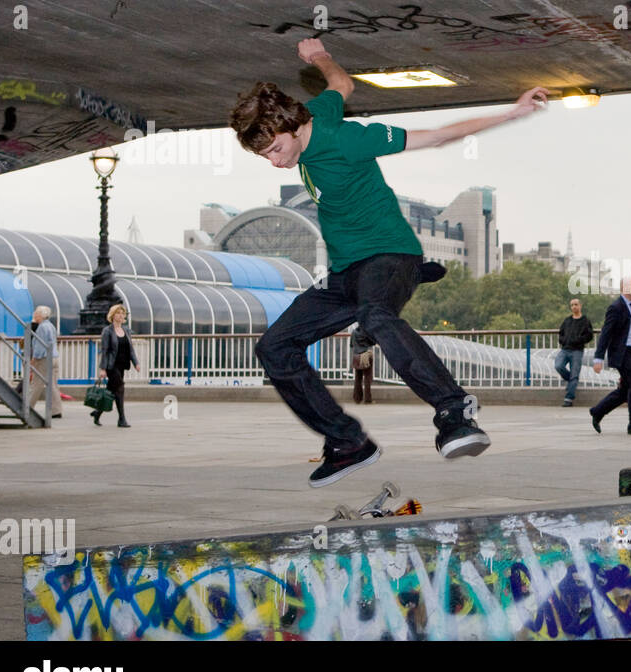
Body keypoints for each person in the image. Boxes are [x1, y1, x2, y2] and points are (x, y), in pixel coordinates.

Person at [230, 37, 549, 487]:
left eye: (274, 151)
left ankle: (454, 410)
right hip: (345, 272)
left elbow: (437, 137)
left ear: (290, 125)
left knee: (375, 315)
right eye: (265, 158)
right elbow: (341, 83)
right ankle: (347, 443)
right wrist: (318, 56)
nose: (275, 164)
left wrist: (513, 112)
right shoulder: (318, 113)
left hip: (390, 253)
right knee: (274, 347)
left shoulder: (346, 139)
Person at [589, 278, 631, 435]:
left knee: (625, 390)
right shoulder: (616, 307)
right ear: (624, 287)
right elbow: (606, 333)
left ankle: (597, 411)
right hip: (621, 353)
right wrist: (598, 358)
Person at [95, 303, 139, 427]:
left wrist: (136, 363)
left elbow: (131, 349)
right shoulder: (107, 331)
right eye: (118, 313)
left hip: (122, 364)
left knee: (110, 390)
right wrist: (103, 368)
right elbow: (104, 350)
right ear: (113, 316)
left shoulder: (126, 331)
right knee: (120, 388)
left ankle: (97, 413)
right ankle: (122, 419)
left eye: (122, 313)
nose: (120, 316)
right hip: (111, 365)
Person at [554, 298, 593, 407]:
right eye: (572, 305)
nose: (574, 307)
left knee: (574, 374)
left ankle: (569, 399)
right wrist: (563, 341)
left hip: (577, 351)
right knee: (558, 366)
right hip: (565, 349)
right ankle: (572, 381)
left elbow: (589, 336)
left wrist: (578, 340)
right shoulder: (567, 320)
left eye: (576, 304)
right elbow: (561, 333)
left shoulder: (585, 321)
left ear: (580, 306)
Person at [26, 306, 63, 419]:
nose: (34, 315)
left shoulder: (42, 327)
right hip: (54, 356)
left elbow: (40, 345)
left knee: (36, 383)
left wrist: (34, 358)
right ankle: (56, 410)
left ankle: (28, 406)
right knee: (52, 384)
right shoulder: (50, 326)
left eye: (36, 313)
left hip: (44, 358)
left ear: (41, 315)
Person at [350, 324, 375, 405]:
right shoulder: (367, 332)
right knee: (367, 378)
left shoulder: (353, 332)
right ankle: (368, 400)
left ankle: (357, 399)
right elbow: (373, 342)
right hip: (366, 356)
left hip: (357, 357)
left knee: (358, 378)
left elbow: (351, 345)